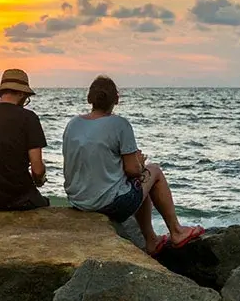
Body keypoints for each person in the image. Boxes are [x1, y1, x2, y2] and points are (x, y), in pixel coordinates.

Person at [62, 76, 204, 256]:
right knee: (154, 172)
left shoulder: (73, 124)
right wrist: (140, 163)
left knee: (139, 185)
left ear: (89, 98)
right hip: (107, 204)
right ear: (117, 99)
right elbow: (132, 170)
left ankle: (151, 239)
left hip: (78, 201)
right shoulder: (119, 124)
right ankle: (176, 231)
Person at [0, 69, 49, 211]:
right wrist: (40, 180)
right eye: (26, 97)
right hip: (18, 198)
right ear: (21, 93)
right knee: (45, 205)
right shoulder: (28, 118)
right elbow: (37, 169)